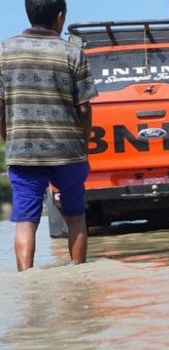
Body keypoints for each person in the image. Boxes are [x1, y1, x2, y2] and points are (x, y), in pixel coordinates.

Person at [0, 0, 98, 272]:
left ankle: (26, 284)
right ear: (59, 17)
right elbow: (85, 107)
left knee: (25, 223)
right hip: (69, 151)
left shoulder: (3, 52)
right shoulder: (73, 53)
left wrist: (8, 141)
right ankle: (79, 277)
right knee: (75, 217)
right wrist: (84, 142)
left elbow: (0, 107)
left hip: (23, 152)